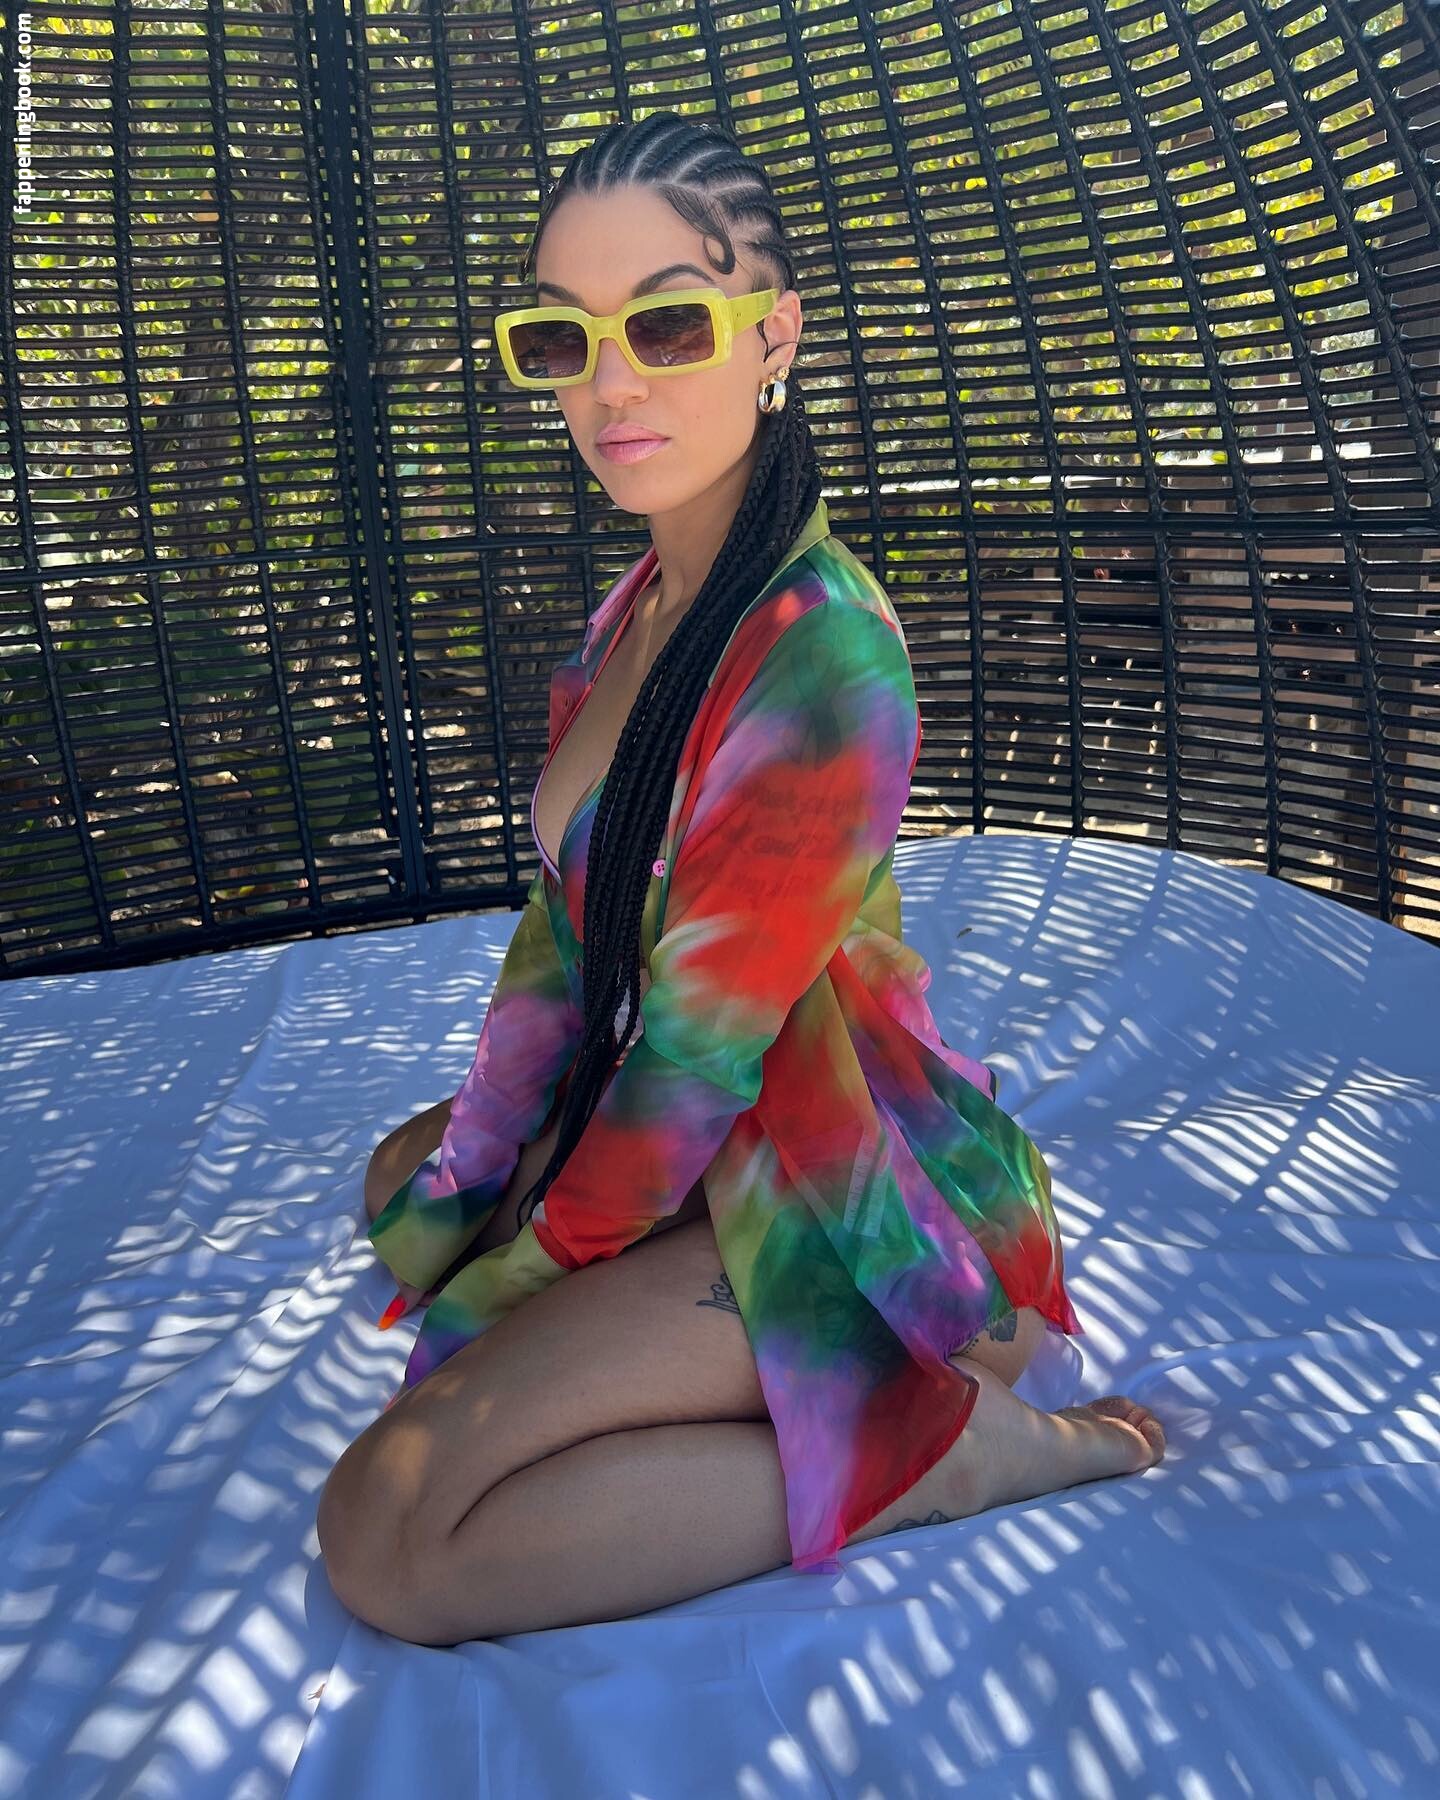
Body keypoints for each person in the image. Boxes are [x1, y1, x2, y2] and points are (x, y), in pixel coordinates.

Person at [318, 109, 1164, 1645]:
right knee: (405, 1175)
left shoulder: (822, 652)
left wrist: (512, 1284)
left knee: (391, 1532)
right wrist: (476, 1184)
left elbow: (698, 1061)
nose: (611, 382)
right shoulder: (643, 608)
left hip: (827, 1183)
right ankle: (792, 1388)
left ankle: (944, 1451)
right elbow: (568, 948)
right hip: (684, 1135)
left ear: (774, 335)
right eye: (561, 338)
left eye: (665, 323)